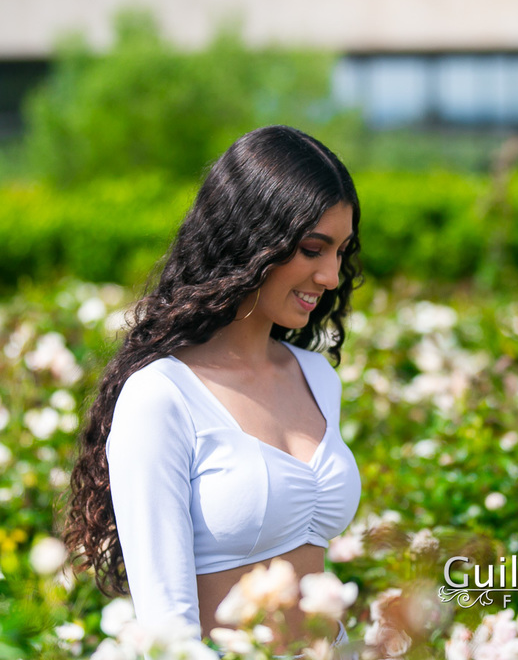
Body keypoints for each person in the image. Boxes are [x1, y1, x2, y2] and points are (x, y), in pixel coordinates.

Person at [65, 125, 364, 658]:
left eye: (341, 252)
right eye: (312, 250)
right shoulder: (161, 397)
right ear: (251, 239)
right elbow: (169, 631)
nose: (330, 276)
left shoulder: (317, 377)